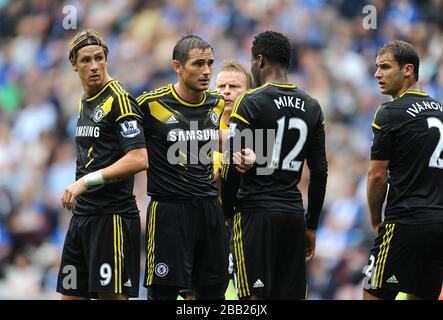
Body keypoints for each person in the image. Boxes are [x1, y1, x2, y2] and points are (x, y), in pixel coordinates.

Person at [137, 34, 253, 300]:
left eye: (210, 63)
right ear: (177, 66)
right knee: (163, 292)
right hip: (168, 211)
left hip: (209, 210)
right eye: (198, 64)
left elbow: (212, 136)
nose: (207, 71)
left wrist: (242, 151)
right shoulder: (150, 105)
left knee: (213, 292)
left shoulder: (215, 102)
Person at [221, 30, 328, 300]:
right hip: (292, 214)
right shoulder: (312, 106)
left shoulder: (251, 101)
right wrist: (311, 224)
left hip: (255, 213)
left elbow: (232, 162)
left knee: (252, 299)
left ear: (259, 61)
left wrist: (227, 211)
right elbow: (320, 171)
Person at [56, 29, 147, 300]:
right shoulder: (86, 101)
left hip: (112, 219)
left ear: (107, 58)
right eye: (86, 60)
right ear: (74, 64)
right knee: (70, 295)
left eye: (99, 58)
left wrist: (85, 181)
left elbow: (139, 158)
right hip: (82, 219)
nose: (94, 66)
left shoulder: (119, 100)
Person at [363, 40, 443, 300]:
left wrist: (376, 218)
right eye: (377, 67)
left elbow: (377, 175)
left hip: (404, 222)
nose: (377, 74)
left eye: (385, 67)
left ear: (408, 70)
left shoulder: (390, 112)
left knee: (372, 293)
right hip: (439, 225)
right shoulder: (441, 111)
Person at [214, 60, 252, 189]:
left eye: (234, 86)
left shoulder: (260, 127)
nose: (226, 91)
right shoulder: (203, 125)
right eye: (221, 86)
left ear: (249, 92)